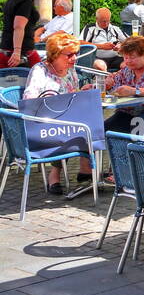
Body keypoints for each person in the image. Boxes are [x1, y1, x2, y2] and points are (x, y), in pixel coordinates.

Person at [23, 32, 95, 191]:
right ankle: (56, 173)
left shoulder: (70, 70)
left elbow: (72, 92)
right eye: (69, 55)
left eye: (76, 54)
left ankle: (85, 168)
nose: (74, 58)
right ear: (54, 55)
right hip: (42, 122)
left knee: (91, 121)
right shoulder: (40, 70)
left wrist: (81, 91)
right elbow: (30, 99)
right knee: (74, 127)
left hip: (66, 118)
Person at [0, 0, 41, 68]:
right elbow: (18, 26)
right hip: (21, 54)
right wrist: (17, 51)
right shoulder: (25, 1)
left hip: (8, 49)